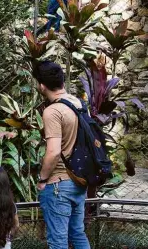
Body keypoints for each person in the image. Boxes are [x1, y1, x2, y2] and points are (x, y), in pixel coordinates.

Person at [34, 61, 90, 249]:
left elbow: (54, 151)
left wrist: (42, 179)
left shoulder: (53, 111)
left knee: (57, 240)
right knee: (77, 233)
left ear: (41, 85)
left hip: (58, 183)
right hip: (78, 179)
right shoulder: (79, 104)